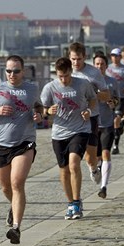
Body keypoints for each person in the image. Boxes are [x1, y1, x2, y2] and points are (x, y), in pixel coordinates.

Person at [0, 55, 44, 243]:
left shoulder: (31, 89)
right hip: (1, 143)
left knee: (16, 182)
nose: (12, 74)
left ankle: (16, 228)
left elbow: (39, 106)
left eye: (16, 71)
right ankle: (13, 206)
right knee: (5, 187)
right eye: (9, 71)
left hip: (24, 142)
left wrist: (39, 115)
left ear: (23, 71)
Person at [41, 57, 96, 220]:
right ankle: (71, 202)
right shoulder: (50, 87)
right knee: (64, 170)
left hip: (80, 129)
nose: (63, 79)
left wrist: (89, 111)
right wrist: (48, 111)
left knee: (74, 163)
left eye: (66, 75)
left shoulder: (82, 84)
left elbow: (92, 99)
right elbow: (42, 109)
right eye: (60, 76)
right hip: (59, 133)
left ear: (71, 71)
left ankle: (77, 200)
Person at [69, 42, 110, 186]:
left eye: (79, 59)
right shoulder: (67, 71)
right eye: (73, 59)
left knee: (90, 157)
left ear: (84, 57)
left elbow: (107, 95)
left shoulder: (94, 73)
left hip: (91, 117)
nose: (76, 62)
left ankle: (93, 168)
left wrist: (94, 94)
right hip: (72, 118)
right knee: (73, 158)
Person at [93, 53, 121, 198]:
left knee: (105, 153)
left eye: (102, 64)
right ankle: (95, 170)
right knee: (94, 158)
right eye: (97, 64)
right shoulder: (88, 82)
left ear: (106, 66)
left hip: (107, 123)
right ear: (93, 65)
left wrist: (113, 103)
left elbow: (117, 99)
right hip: (92, 124)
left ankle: (103, 187)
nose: (99, 67)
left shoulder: (112, 82)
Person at [106, 48, 124, 154]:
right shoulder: (107, 68)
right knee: (112, 123)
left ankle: (115, 146)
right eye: (113, 55)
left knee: (115, 120)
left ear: (120, 57)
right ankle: (120, 128)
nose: (114, 58)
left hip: (121, 97)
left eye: (117, 56)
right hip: (109, 97)